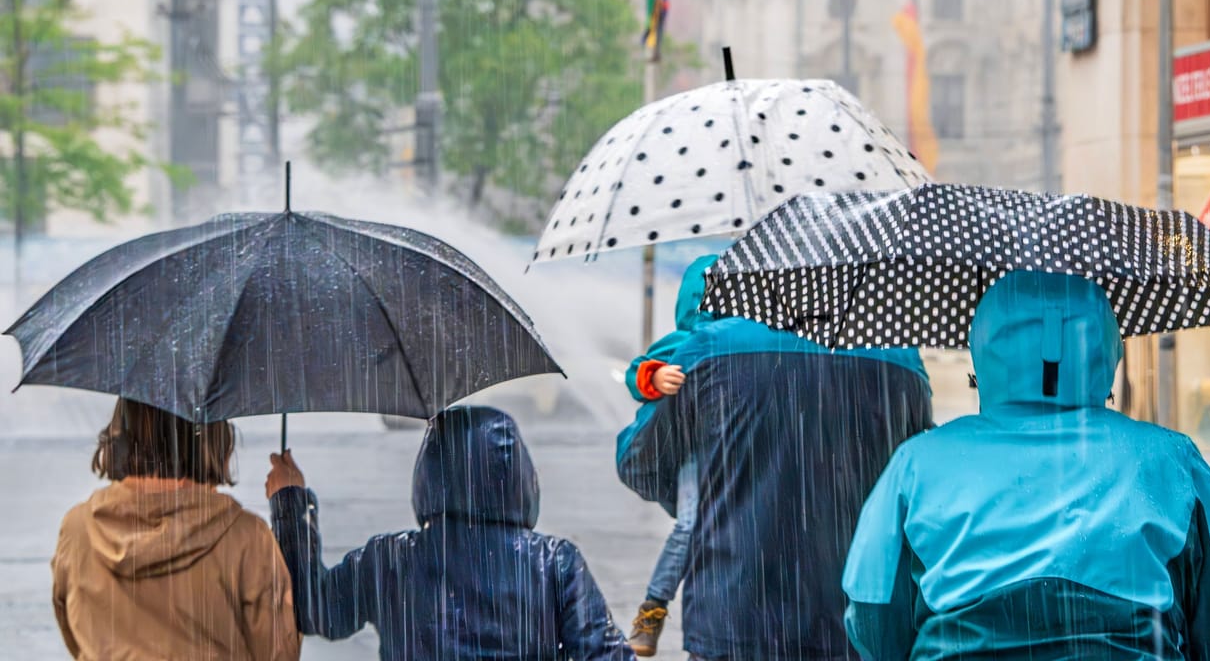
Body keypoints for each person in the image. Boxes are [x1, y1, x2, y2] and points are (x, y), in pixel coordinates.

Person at [842, 271, 1210, 660]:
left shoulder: (917, 464)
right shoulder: (1171, 460)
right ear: (1108, 355)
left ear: (983, 355)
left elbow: (873, 618)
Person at [617, 309, 934, 660]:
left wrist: (712, 500)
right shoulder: (900, 356)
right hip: (860, 621)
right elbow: (918, 481)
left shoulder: (711, 347)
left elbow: (639, 462)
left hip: (734, 614)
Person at [267, 404, 636, 661]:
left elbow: (312, 610)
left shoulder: (391, 560)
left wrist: (289, 501)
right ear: (520, 475)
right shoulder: (556, 563)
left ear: (429, 473)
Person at [51, 397, 300, 660]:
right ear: (212, 436)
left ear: (122, 430)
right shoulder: (246, 537)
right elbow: (278, 653)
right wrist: (291, 508)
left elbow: (73, 632)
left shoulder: (77, 529)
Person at [619, 255, 716, 655]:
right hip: (697, 451)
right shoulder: (683, 343)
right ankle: (653, 608)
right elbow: (637, 372)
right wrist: (656, 377)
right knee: (691, 526)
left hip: (743, 448)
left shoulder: (756, 337)